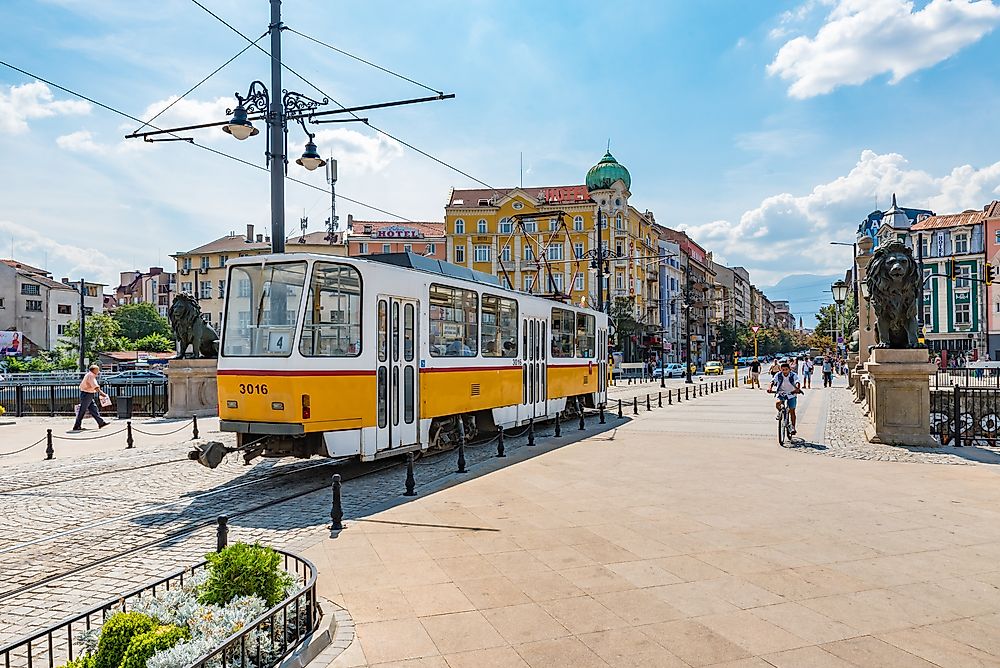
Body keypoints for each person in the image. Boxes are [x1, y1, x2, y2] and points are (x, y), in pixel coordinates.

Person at [768, 361, 803, 434]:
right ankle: (780, 412)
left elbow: (797, 382)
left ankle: (793, 427)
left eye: (786, 369)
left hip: (791, 393)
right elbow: (773, 381)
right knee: (778, 403)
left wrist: (797, 388)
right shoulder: (778, 375)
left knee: (792, 411)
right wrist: (770, 388)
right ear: (781, 370)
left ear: (789, 369)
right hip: (781, 392)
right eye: (783, 370)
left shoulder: (793, 375)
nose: (785, 371)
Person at [72, 364, 110, 431]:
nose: (98, 371)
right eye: (97, 370)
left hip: (88, 394)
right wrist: (102, 393)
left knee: (94, 409)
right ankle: (76, 426)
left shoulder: (89, 375)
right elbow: (95, 386)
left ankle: (101, 423)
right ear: (94, 370)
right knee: (82, 410)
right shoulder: (91, 375)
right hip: (87, 394)